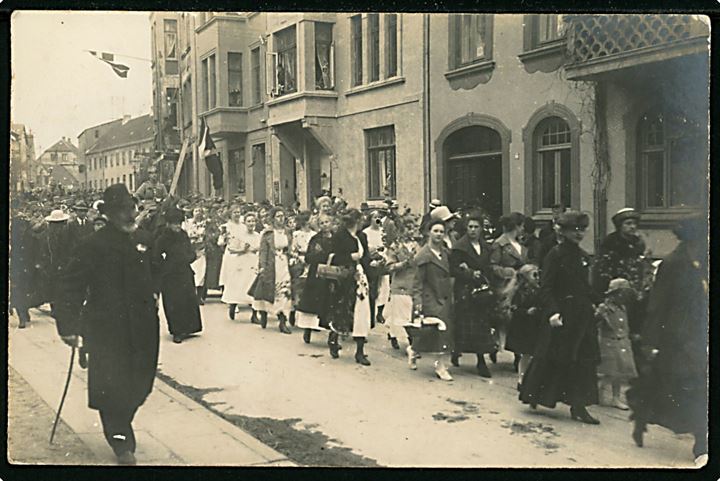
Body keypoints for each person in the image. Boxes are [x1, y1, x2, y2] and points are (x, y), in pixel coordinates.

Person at [52, 184, 160, 465]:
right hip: (107, 328)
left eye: (132, 209)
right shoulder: (92, 245)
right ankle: (120, 439)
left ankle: (123, 423)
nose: (130, 215)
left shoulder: (144, 239)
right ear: (110, 214)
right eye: (122, 211)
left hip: (144, 327)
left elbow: (157, 274)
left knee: (141, 384)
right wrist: (69, 325)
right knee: (112, 385)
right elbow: (69, 285)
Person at [626, 215, 708, 465]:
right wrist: (649, 342)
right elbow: (657, 305)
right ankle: (701, 447)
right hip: (678, 337)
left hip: (698, 332)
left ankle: (641, 417)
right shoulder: (673, 263)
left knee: (665, 385)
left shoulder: (702, 260)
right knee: (695, 388)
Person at [519, 211, 601, 424]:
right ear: (562, 231)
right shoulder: (555, 255)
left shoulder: (583, 256)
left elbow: (584, 286)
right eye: (574, 230)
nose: (579, 234)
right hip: (562, 314)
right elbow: (546, 288)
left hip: (582, 315)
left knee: (582, 360)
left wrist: (598, 301)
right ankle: (535, 394)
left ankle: (579, 406)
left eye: (582, 230)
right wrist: (553, 312)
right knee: (554, 358)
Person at [593, 207, 652, 370]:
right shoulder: (611, 243)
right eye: (628, 223)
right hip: (616, 293)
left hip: (636, 291)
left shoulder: (638, 243)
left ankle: (634, 364)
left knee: (636, 326)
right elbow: (602, 270)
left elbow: (642, 266)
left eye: (634, 224)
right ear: (620, 226)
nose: (632, 227)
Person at [449, 213, 496, 378]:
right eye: (470, 227)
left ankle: (479, 357)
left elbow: (489, 266)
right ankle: (470, 356)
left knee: (481, 324)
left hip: (482, 290)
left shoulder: (486, 247)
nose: (473, 230)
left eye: (476, 227)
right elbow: (452, 269)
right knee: (467, 324)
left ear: (482, 229)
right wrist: (468, 273)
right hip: (466, 291)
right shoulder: (459, 247)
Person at [407, 219, 455, 380]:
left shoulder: (445, 253)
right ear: (428, 232)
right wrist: (418, 303)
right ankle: (440, 366)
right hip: (431, 298)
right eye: (435, 231)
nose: (439, 234)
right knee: (440, 332)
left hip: (445, 296)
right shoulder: (423, 255)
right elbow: (417, 283)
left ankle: (413, 350)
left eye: (442, 231)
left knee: (438, 333)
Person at [325, 208, 373, 365]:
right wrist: (349, 257)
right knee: (344, 309)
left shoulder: (362, 236)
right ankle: (334, 337)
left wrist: (371, 263)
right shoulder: (340, 236)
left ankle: (360, 351)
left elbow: (365, 256)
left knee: (362, 311)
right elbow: (333, 256)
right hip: (344, 279)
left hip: (360, 277)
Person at [155, 207, 203, 344]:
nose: (177, 226)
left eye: (179, 223)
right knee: (173, 303)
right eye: (174, 223)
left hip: (184, 272)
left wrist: (191, 256)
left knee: (188, 300)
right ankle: (176, 331)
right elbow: (156, 255)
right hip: (170, 275)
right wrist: (165, 265)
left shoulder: (183, 235)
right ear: (168, 224)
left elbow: (190, 251)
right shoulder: (163, 237)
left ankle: (189, 328)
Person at [489, 212, 528, 366]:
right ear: (516, 226)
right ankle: (495, 347)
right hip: (505, 287)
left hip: (520, 287)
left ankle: (518, 354)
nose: (523, 229)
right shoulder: (499, 244)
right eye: (522, 226)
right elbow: (493, 266)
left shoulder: (521, 244)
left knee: (518, 320)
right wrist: (510, 272)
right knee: (504, 319)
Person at [249, 207, 294, 334]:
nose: (281, 218)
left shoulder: (288, 232)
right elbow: (263, 252)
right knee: (269, 289)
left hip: (284, 263)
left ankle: (282, 320)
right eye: (278, 216)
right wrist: (262, 266)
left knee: (285, 290)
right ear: (273, 218)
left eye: (283, 216)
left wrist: (292, 256)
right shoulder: (267, 233)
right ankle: (264, 313)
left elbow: (290, 247)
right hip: (271, 264)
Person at [595, 278, 638, 410]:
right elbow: (596, 321)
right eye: (622, 293)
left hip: (621, 342)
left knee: (618, 372)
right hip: (608, 342)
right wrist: (600, 315)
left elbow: (624, 325)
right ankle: (597, 395)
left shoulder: (622, 308)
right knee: (606, 371)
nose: (624, 297)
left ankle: (616, 397)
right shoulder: (605, 308)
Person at [383, 213, 420, 351]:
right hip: (400, 285)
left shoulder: (417, 245)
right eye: (407, 228)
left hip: (414, 284)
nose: (411, 231)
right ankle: (407, 341)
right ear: (401, 229)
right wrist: (403, 263)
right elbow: (389, 266)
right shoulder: (396, 246)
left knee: (410, 314)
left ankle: (406, 339)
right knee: (401, 314)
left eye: (413, 228)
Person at [295, 214, 334, 344]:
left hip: (332, 275)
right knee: (313, 302)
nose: (325, 225)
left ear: (331, 223)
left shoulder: (336, 238)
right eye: (322, 223)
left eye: (327, 222)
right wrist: (319, 254)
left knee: (330, 303)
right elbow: (308, 258)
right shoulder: (315, 239)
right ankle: (308, 329)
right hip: (316, 275)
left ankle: (332, 333)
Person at [506, 264, 543, 389]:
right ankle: (521, 379)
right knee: (526, 354)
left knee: (534, 353)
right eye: (534, 275)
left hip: (535, 324)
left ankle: (531, 379)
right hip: (524, 326)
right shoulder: (519, 292)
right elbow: (514, 308)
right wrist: (526, 312)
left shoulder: (539, 289)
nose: (537, 278)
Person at [37, 209, 74, 314]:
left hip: (64, 264)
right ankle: (54, 307)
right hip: (50, 265)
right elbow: (42, 250)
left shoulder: (68, 235)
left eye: (60, 224)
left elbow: (70, 249)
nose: (58, 226)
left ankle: (60, 307)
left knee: (62, 287)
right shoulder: (45, 236)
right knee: (52, 287)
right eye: (55, 224)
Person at [363, 209, 390, 327]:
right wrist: (373, 251)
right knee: (372, 287)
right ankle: (370, 312)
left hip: (382, 260)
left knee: (384, 287)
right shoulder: (366, 232)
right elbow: (365, 248)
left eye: (379, 217)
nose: (377, 219)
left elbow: (387, 245)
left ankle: (380, 312)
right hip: (371, 261)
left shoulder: (383, 232)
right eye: (374, 217)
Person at [289, 211, 316, 327]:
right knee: (298, 287)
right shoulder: (296, 234)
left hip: (311, 262)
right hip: (300, 261)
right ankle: (294, 309)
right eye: (311, 219)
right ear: (306, 221)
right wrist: (300, 258)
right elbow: (292, 250)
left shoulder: (315, 234)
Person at [182, 207, 208, 304]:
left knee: (201, 275)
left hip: (201, 251)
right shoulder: (187, 223)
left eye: (200, 211)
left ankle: (199, 297)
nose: (198, 213)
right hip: (190, 250)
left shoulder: (205, 224)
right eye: (196, 211)